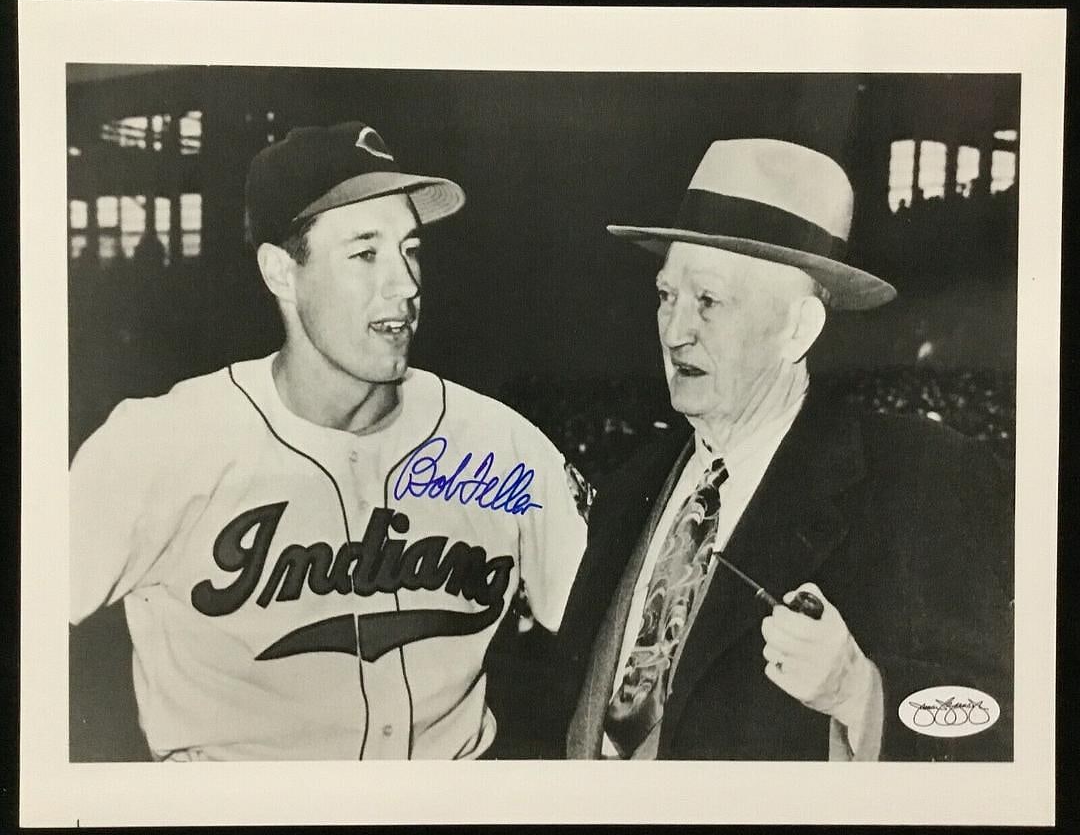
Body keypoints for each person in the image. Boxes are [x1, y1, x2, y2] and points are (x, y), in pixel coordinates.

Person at [69, 121, 590, 761]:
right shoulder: (162, 445)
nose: (405, 285)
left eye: (411, 249)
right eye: (365, 253)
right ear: (281, 273)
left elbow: (620, 647)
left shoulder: (502, 445)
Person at [555, 138, 1013, 761]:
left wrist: (862, 693)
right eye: (667, 296)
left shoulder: (919, 481)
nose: (674, 330)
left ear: (798, 328)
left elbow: (997, 726)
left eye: (708, 301)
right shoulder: (629, 487)